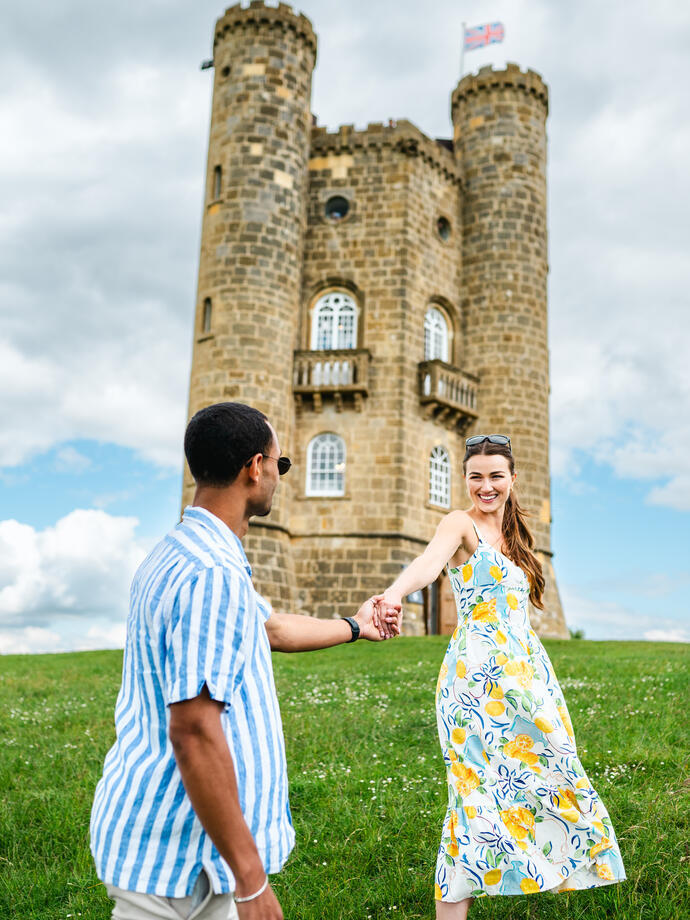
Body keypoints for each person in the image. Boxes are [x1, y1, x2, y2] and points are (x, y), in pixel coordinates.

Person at [90, 402, 400, 920]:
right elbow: (193, 731)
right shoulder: (212, 572)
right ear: (254, 468)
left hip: (173, 849)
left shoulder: (181, 552)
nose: (280, 479)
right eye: (281, 466)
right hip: (188, 862)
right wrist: (251, 881)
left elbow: (269, 628)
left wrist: (354, 625)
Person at [375, 434, 625, 919]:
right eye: (475, 476)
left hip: (526, 672)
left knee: (553, 769)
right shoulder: (459, 524)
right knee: (473, 794)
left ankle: (544, 867)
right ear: (465, 480)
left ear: (512, 479)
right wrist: (393, 594)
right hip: (476, 676)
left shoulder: (517, 539)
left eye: (495, 476)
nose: (485, 486)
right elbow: (429, 563)